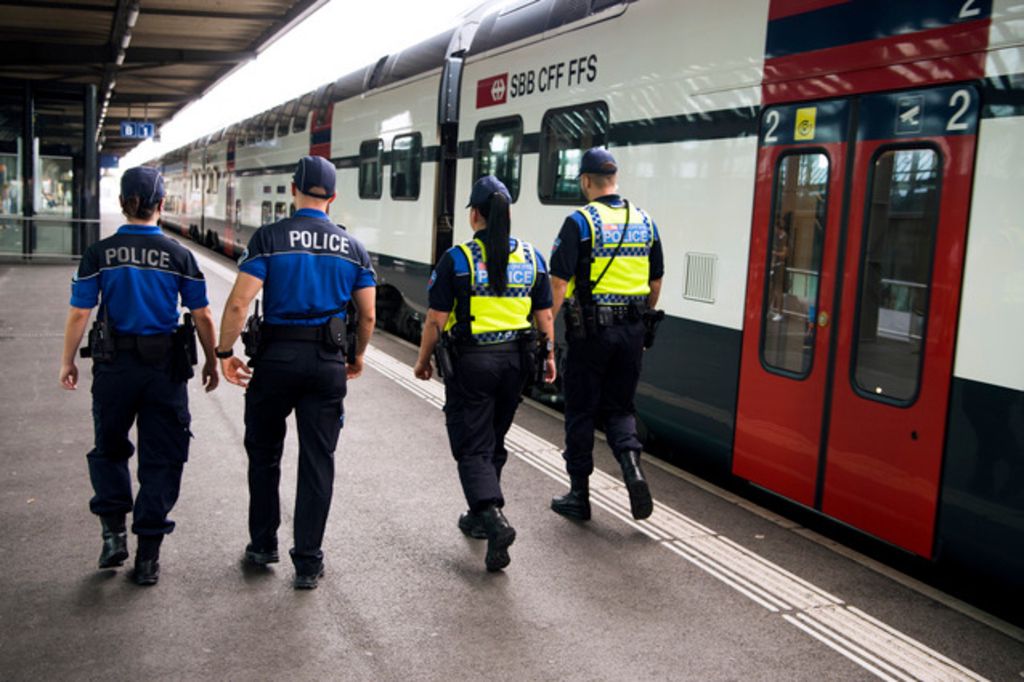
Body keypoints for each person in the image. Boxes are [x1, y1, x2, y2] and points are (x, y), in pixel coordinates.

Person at [216, 155, 376, 590]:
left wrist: (225, 351)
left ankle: (263, 544)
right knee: (317, 461)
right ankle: (307, 562)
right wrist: (356, 356)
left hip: (276, 360)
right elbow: (366, 316)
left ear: (293, 189)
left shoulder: (269, 238)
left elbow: (237, 303)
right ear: (334, 197)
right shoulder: (353, 247)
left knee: (264, 454)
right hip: (327, 363)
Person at [59, 166, 219, 586]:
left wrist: (68, 360)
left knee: (109, 448)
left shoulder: (100, 252)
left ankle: (112, 536)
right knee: (162, 457)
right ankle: (147, 555)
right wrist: (211, 359)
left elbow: (80, 311)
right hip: (164, 370)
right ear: (162, 205)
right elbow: (200, 313)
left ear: (122, 203)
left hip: (114, 368)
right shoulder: (179, 255)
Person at [414, 175, 556, 572]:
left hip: (473, 363)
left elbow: (435, 320)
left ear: (475, 215)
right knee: (492, 438)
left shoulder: (457, 260)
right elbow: (544, 315)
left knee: (471, 443)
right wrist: (549, 358)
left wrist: (423, 361)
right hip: (517, 363)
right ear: (507, 215)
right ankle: (478, 516)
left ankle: (493, 518)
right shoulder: (532, 257)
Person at [547, 147, 664, 522]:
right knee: (620, 408)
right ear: (614, 179)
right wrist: (642, 317)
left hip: (591, 332)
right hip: (631, 332)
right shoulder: (645, 220)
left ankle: (579, 495)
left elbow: (559, 284)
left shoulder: (580, 222)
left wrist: (546, 331)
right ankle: (632, 468)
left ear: (585, 181)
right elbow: (655, 279)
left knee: (580, 410)